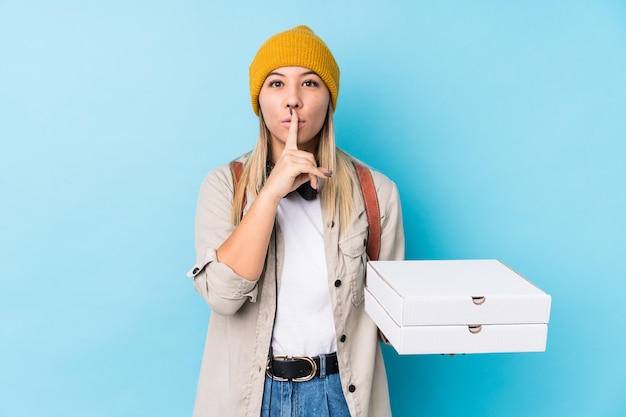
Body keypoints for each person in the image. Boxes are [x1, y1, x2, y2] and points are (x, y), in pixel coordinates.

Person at [187, 25, 405, 417]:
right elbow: (223, 296)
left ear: (329, 98)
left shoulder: (377, 193)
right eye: (276, 84)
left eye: (309, 83)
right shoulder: (225, 185)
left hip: (342, 396)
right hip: (253, 397)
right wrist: (270, 193)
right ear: (259, 100)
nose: (292, 100)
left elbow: (390, 320)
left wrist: (441, 324)